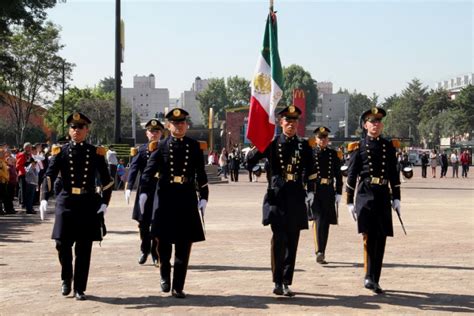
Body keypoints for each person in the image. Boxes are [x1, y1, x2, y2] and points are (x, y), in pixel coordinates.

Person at [39, 112, 114, 301]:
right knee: (62, 244)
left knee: (84, 247)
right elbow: (49, 175)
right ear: (69, 130)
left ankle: (80, 287)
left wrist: (105, 203)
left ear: (86, 130)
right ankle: (66, 278)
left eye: (80, 127)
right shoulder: (60, 152)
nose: (76, 130)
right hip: (66, 201)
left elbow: (106, 180)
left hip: (87, 202)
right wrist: (44, 198)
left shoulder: (95, 152)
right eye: (73, 127)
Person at [139, 108, 208, 298]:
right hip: (166, 198)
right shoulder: (160, 146)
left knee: (184, 244)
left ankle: (178, 286)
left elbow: (200, 173)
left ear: (186, 125)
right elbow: (148, 172)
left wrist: (204, 196)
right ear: (169, 126)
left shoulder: (194, 146)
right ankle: (164, 276)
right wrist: (144, 192)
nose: (179, 126)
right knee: (164, 243)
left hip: (186, 197)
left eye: (182, 123)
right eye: (175, 123)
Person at [247, 105, 315, 297]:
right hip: (276, 197)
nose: (291, 124)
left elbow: (311, 172)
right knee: (279, 240)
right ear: (280, 122)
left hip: (295, 197)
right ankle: (277, 280)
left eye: (294, 121)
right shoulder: (273, 143)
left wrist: (311, 192)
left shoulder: (303, 146)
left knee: (292, 242)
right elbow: (250, 161)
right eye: (287, 121)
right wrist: (258, 147)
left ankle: (286, 281)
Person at [345, 106, 401, 295]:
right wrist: (349, 201)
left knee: (381, 237)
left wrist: (397, 197)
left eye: (378, 121)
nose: (376, 124)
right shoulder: (359, 147)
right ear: (365, 125)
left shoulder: (388, 146)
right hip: (366, 193)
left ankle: (376, 278)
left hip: (383, 194)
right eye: (372, 121)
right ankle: (368, 276)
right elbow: (352, 175)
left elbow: (394, 173)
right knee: (369, 236)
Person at [125, 118, 164, 266]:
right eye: (151, 131)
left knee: (157, 224)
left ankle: (155, 252)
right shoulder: (141, 150)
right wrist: (128, 187)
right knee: (143, 224)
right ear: (146, 133)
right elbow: (134, 170)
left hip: (160, 190)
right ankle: (144, 249)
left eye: (156, 131)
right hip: (144, 191)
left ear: (161, 133)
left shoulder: (165, 148)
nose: (153, 134)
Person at [308, 126, 343, 264]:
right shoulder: (311, 153)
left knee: (326, 222)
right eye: (320, 137)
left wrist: (339, 192)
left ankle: (323, 250)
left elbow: (338, 174)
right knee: (318, 220)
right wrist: (309, 190)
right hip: (316, 190)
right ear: (316, 139)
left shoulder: (333, 154)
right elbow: (307, 173)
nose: (323, 140)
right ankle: (319, 251)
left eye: (325, 137)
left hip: (328, 189)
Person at [15, 142, 32, 207]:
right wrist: (25, 169)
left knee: (26, 189)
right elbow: (18, 165)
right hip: (22, 174)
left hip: (28, 174)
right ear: (25, 148)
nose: (30, 149)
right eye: (29, 147)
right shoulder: (22, 154)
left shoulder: (29, 155)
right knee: (22, 189)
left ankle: (25, 201)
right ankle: (22, 202)